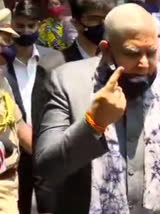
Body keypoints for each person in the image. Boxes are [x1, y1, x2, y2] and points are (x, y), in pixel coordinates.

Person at [34, 3, 160, 214]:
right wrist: (94, 124)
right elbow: (48, 169)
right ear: (106, 49)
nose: (144, 63)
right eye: (132, 53)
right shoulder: (65, 81)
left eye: (151, 52)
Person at [5, 1, 66, 213]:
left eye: (32, 26)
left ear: (39, 25)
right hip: (14, 154)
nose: (26, 31)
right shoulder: (3, 62)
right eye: (20, 26)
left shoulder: (54, 60)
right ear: (12, 25)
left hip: (46, 149)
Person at [0, 5, 33, 214]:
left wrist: (54, 152)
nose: (9, 45)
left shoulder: (2, 80)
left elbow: (19, 126)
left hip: (10, 184)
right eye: (4, 37)